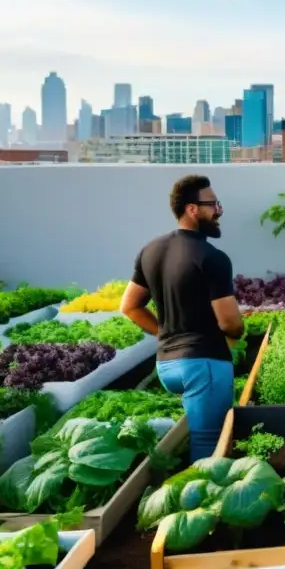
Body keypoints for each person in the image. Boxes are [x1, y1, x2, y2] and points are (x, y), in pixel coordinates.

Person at [119, 174, 243, 461]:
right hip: (205, 366)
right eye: (213, 204)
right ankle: (202, 503)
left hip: (167, 366)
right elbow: (229, 322)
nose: (219, 210)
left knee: (192, 437)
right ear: (192, 209)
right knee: (210, 446)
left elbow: (130, 306)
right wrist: (237, 333)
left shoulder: (150, 251)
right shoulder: (212, 258)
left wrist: (165, 334)